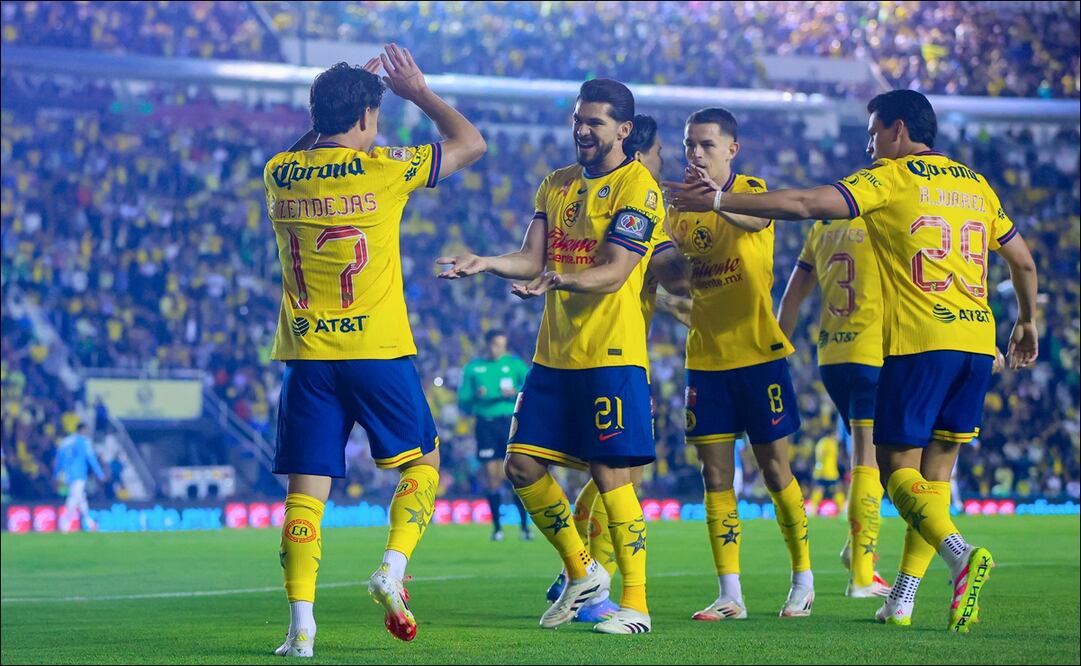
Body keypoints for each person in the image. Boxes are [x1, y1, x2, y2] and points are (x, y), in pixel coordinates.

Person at [666, 89, 1039, 633]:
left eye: (873, 132)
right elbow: (1023, 262)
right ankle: (904, 597)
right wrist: (1026, 322)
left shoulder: (890, 178)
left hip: (918, 343)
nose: (869, 144)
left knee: (892, 472)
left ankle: (960, 554)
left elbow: (804, 206)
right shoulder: (977, 185)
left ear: (897, 130)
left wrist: (719, 202)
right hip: (979, 344)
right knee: (935, 481)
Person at [265, 45, 486, 656]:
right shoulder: (385, 168)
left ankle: (300, 628)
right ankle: (392, 567)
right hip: (377, 351)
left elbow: (299, 148)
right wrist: (417, 92)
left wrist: (334, 104)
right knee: (424, 464)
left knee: (304, 497)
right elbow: (471, 143)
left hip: (306, 356)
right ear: (366, 116)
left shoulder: (278, 173)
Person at [437, 80, 669, 634]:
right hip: (554, 355)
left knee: (613, 474)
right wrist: (486, 263)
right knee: (519, 464)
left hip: (611, 354)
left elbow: (615, 272)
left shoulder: (640, 188)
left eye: (595, 122)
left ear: (623, 130)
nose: (582, 130)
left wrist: (558, 278)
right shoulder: (556, 185)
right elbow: (530, 257)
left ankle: (636, 606)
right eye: (577, 119)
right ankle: (582, 571)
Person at [664, 107, 815, 621]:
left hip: (758, 354)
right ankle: (731, 593)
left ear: (732, 149)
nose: (696, 154)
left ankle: (803, 578)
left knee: (775, 470)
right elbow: (682, 277)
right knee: (715, 476)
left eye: (707, 144)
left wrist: (717, 200)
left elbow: (754, 220)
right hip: (705, 359)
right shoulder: (679, 211)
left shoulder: (752, 190)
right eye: (689, 145)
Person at [547, 113, 686, 624]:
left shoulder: (630, 197)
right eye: (659, 159)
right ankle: (603, 582)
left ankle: (582, 574)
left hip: (608, 348)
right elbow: (673, 275)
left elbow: (655, 279)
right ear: (639, 150)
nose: (662, 169)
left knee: (610, 476)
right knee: (615, 476)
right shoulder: (639, 194)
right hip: (608, 353)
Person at [777, 214, 892, 598]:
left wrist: (778, 351)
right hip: (874, 352)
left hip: (832, 355)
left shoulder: (823, 226)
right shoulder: (887, 219)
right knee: (870, 460)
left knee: (875, 457)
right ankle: (862, 570)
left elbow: (794, 293)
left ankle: (856, 549)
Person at [458, 329, 532, 541]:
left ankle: (525, 527)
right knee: (493, 476)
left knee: (516, 474)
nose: (498, 349)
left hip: (511, 423)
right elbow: (463, 401)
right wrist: (475, 395)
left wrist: (516, 390)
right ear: (487, 344)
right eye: (495, 345)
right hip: (486, 425)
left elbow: (530, 388)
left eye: (502, 345)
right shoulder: (474, 368)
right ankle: (497, 528)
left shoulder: (515, 365)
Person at [54, 422, 106, 532]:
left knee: (80, 498)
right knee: (74, 498)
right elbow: (91, 458)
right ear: (82, 430)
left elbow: (59, 458)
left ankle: (90, 523)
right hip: (79, 474)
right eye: (86, 430)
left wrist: (57, 474)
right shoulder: (83, 442)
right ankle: (65, 524)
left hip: (67, 475)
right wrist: (100, 474)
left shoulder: (66, 441)